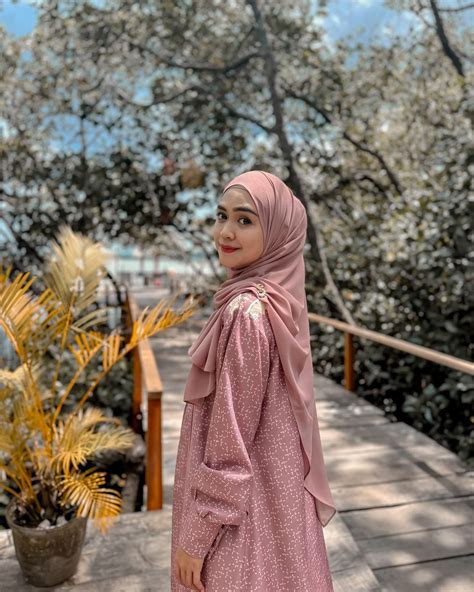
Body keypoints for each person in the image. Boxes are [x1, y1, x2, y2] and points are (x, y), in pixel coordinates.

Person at [171, 170, 337, 592]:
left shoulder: (246, 312)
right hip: (278, 503)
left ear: (277, 232)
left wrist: (196, 537)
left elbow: (230, 443)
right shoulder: (277, 301)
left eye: (245, 220)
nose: (225, 232)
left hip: (241, 522)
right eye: (221, 216)